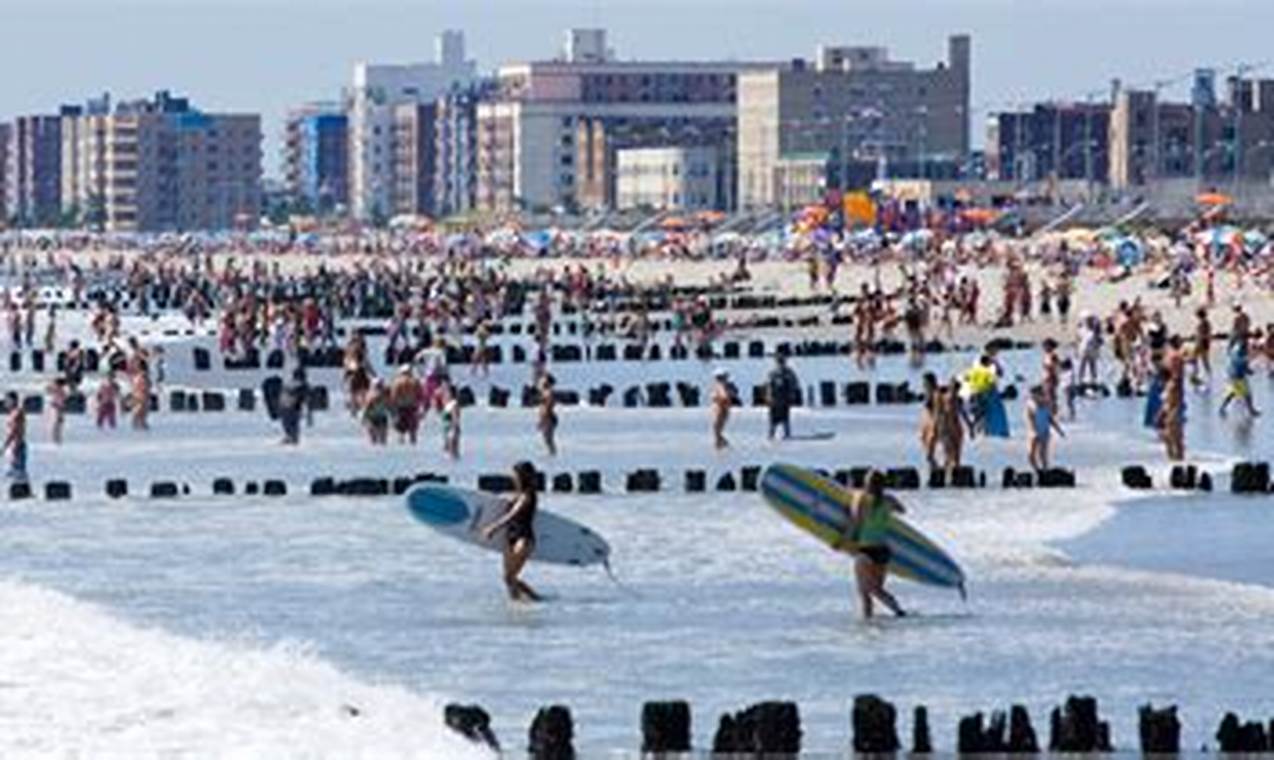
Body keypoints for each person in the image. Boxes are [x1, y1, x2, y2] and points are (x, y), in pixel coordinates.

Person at [834, 470, 906, 620]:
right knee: (877, 590)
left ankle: (867, 624)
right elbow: (902, 510)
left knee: (864, 593)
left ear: (866, 483)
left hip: (865, 551)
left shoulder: (860, 498)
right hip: (883, 551)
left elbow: (855, 524)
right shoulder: (889, 500)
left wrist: (841, 542)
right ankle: (898, 611)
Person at [482, 461, 543, 603]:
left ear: (522, 476)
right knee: (509, 580)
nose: (512, 477)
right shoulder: (517, 494)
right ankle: (517, 607)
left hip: (524, 539)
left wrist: (493, 528)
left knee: (509, 577)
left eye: (514, 474)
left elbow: (513, 515)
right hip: (510, 537)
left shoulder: (528, 495)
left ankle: (538, 601)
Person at [1025, 385, 1065, 471]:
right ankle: (1036, 469)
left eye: (1036, 395)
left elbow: (1050, 419)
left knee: (1042, 454)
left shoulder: (1046, 405)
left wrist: (1059, 430)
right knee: (1031, 454)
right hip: (1034, 433)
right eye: (1032, 396)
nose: (1034, 397)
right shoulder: (1030, 405)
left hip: (1045, 432)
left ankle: (1045, 469)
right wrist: (1034, 430)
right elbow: (1030, 419)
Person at [1219, 339, 1261, 418]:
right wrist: (1249, 371)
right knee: (1247, 394)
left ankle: (1222, 408)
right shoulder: (1242, 355)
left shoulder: (1236, 351)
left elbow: (1240, 364)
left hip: (1231, 375)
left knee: (1233, 393)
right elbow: (1241, 365)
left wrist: (1248, 370)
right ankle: (1251, 411)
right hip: (1237, 376)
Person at [766, 353, 799, 440]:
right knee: (773, 418)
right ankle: (771, 434)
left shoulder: (789, 373)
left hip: (784, 398)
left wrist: (792, 395)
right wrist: (769, 396)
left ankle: (787, 434)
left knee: (785, 417)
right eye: (778, 361)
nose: (780, 363)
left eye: (781, 361)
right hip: (775, 399)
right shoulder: (772, 373)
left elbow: (794, 385)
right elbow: (769, 386)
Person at [278, 367, 308, 445]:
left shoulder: (303, 386)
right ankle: (290, 436)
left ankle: (293, 437)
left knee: (292, 423)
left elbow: (301, 396)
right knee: (287, 422)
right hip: (290, 406)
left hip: (295, 407)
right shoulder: (295, 384)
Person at [4, 392, 27, 482]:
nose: (5, 403)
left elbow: (15, 431)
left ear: (13, 401)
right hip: (16, 444)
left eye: (7, 400)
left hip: (17, 444)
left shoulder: (17, 413)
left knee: (18, 472)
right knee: (16, 470)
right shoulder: (14, 412)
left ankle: (23, 490)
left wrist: (7, 444)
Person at [710, 368, 735, 450]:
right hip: (719, 409)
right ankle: (721, 445)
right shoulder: (722, 386)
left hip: (721, 410)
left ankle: (722, 446)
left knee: (716, 429)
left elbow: (724, 397)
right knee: (717, 429)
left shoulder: (722, 386)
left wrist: (716, 398)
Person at [537, 373, 558, 456]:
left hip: (548, 417)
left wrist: (542, 420)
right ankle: (551, 453)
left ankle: (552, 454)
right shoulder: (545, 392)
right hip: (546, 417)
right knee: (547, 438)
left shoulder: (549, 393)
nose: (540, 383)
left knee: (548, 438)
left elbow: (547, 407)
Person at [439, 380, 461, 459]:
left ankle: (454, 460)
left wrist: (454, 427)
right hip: (447, 427)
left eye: (447, 393)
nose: (445, 394)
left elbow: (455, 417)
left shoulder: (454, 403)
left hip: (452, 427)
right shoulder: (447, 403)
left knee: (452, 447)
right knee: (447, 447)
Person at [47, 378, 67, 445]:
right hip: (56, 408)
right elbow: (47, 389)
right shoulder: (57, 390)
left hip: (58, 409)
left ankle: (57, 439)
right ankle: (56, 439)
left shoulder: (61, 391)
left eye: (55, 384)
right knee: (56, 425)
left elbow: (61, 402)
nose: (54, 385)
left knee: (57, 424)